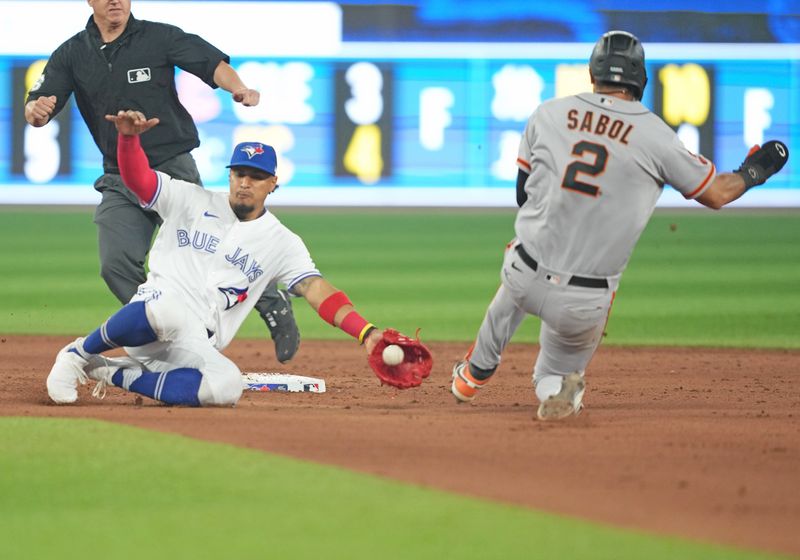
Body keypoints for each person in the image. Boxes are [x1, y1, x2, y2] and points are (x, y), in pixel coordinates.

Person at [450, 30, 789, 421]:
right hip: (584, 301)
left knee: (520, 267)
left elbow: (523, 195)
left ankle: (474, 372)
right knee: (553, 369)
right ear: (640, 79)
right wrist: (754, 171)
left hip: (523, 273)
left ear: (593, 71)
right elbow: (716, 194)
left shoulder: (548, 113)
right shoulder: (656, 136)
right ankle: (556, 390)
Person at [46, 109, 390, 407]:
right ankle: (79, 353)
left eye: (256, 177)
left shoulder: (282, 242)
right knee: (169, 308)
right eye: (240, 173)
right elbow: (140, 180)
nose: (245, 183)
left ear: (273, 183)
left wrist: (367, 333)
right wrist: (128, 141)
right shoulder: (189, 199)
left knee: (227, 386)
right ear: (230, 175)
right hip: (153, 316)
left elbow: (316, 289)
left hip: (193, 344)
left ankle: (108, 372)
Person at [24, 0, 301, 363]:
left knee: (217, 251)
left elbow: (211, 63)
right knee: (116, 264)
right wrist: (35, 111)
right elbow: (41, 102)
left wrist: (239, 88)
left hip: (174, 171)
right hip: (121, 176)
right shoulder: (72, 53)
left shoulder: (158, 37)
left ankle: (271, 303)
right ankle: (172, 327)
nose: (115, 1)